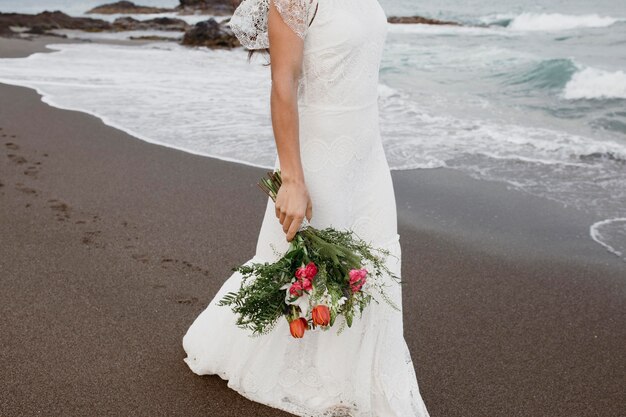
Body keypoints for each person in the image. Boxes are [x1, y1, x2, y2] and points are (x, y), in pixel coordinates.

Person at [182, 0, 431, 415]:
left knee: (374, 260)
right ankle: (319, 376)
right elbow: (284, 83)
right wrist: (294, 180)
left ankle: (358, 373)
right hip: (318, 154)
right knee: (308, 270)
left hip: (366, 151)